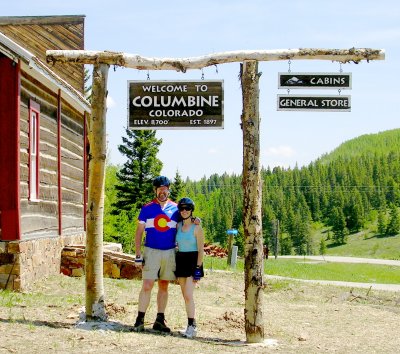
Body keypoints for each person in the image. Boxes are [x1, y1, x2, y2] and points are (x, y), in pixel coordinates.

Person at [133, 176, 198, 333]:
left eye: (165, 189)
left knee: (164, 285)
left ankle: (159, 320)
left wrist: (196, 220)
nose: (162, 192)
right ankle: (139, 320)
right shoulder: (147, 208)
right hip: (151, 250)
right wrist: (138, 254)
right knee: (147, 285)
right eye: (159, 189)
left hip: (169, 252)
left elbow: (186, 220)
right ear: (155, 190)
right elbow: (139, 232)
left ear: (169, 190)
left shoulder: (176, 209)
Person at [175, 197, 205, 339]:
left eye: (187, 208)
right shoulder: (178, 226)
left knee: (188, 295)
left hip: (193, 261)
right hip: (181, 260)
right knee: (184, 296)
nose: (184, 211)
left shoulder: (197, 227)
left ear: (192, 210)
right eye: (182, 208)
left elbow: (201, 250)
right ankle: (190, 324)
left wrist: (198, 268)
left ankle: (192, 326)